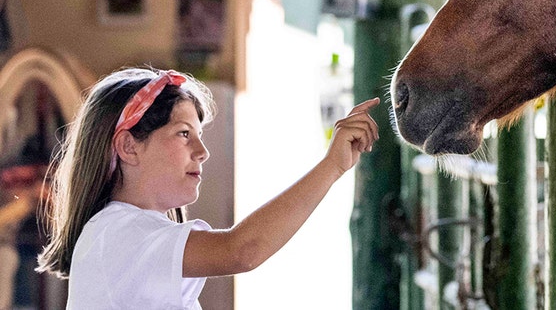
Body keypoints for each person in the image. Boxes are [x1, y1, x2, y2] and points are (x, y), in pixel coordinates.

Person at [35, 67, 379, 309]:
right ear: (129, 147)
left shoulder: (124, 233)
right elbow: (243, 250)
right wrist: (331, 167)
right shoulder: (117, 233)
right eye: (185, 134)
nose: (202, 151)